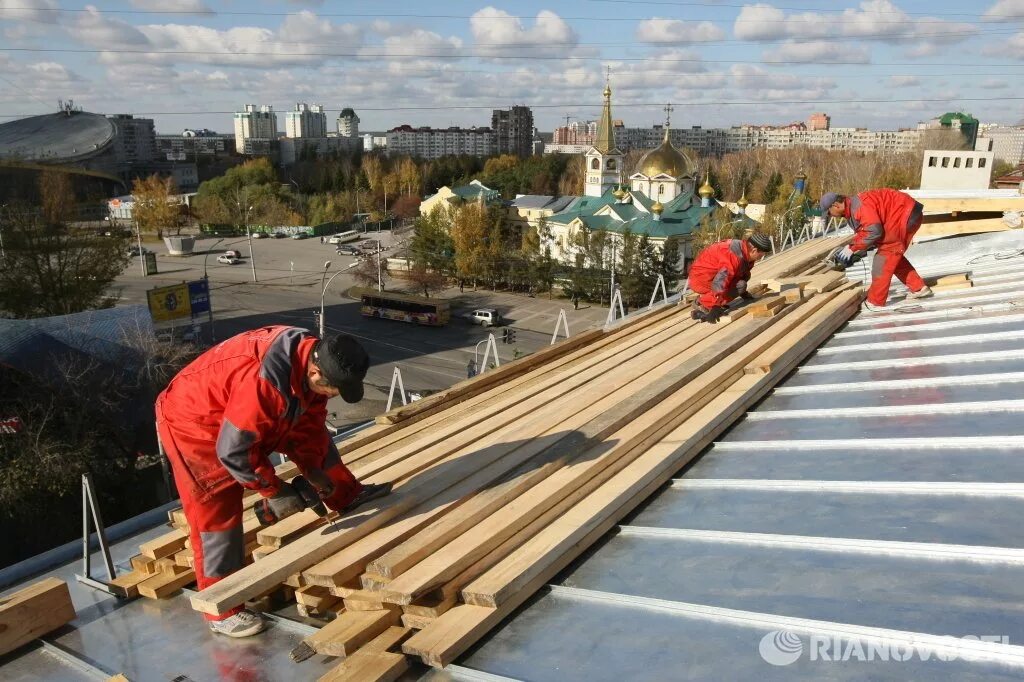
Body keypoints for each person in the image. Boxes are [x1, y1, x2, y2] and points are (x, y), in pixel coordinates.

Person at [155, 326, 392, 638]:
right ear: (316, 372)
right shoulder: (264, 383)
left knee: (315, 439)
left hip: (242, 409)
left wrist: (317, 474)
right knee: (218, 509)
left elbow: (308, 428)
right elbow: (236, 451)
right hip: (196, 422)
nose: (333, 397)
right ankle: (221, 607)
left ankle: (346, 495)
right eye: (332, 391)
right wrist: (276, 491)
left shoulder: (310, 360)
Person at [820, 189, 933, 310]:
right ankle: (919, 288)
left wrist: (853, 248)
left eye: (829, 213)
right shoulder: (852, 209)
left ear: (835, 205)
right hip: (904, 213)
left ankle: (875, 302)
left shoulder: (859, 208)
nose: (830, 216)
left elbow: (874, 231)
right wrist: (852, 247)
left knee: (883, 259)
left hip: (905, 214)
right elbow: (866, 232)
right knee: (893, 255)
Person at [687, 233, 772, 323]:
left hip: (712, 276)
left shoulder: (744, 251)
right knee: (740, 286)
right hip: (700, 279)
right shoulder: (733, 257)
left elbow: (742, 273)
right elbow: (721, 281)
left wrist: (743, 293)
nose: (762, 256)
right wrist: (716, 306)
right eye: (762, 254)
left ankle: (711, 299)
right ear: (754, 250)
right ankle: (702, 303)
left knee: (742, 283)